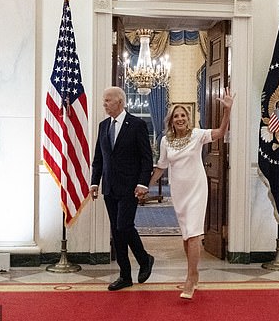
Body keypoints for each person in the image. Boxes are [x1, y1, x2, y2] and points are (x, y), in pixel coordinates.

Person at [150, 88, 234, 299]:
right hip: (179, 192)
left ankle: (190, 277)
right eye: (176, 116)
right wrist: (145, 186)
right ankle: (193, 274)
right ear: (171, 120)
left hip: (197, 189)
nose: (180, 118)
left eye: (183, 115)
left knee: (194, 234)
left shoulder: (197, 135)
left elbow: (220, 133)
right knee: (187, 236)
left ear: (188, 119)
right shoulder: (165, 141)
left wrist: (227, 111)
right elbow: (161, 167)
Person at [91, 86, 155, 291]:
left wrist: (143, 183)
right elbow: (99, 159)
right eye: (104, 101)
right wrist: (94, 182)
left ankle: (144, 260)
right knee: (116, 232)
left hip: (130, 187)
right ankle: (125, 275)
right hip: (109, 187)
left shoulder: (137, 125)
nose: (104, 104)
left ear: (120, 101)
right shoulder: (103, 126)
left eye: (108, 100)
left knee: (124, 226)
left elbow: (146, 158)